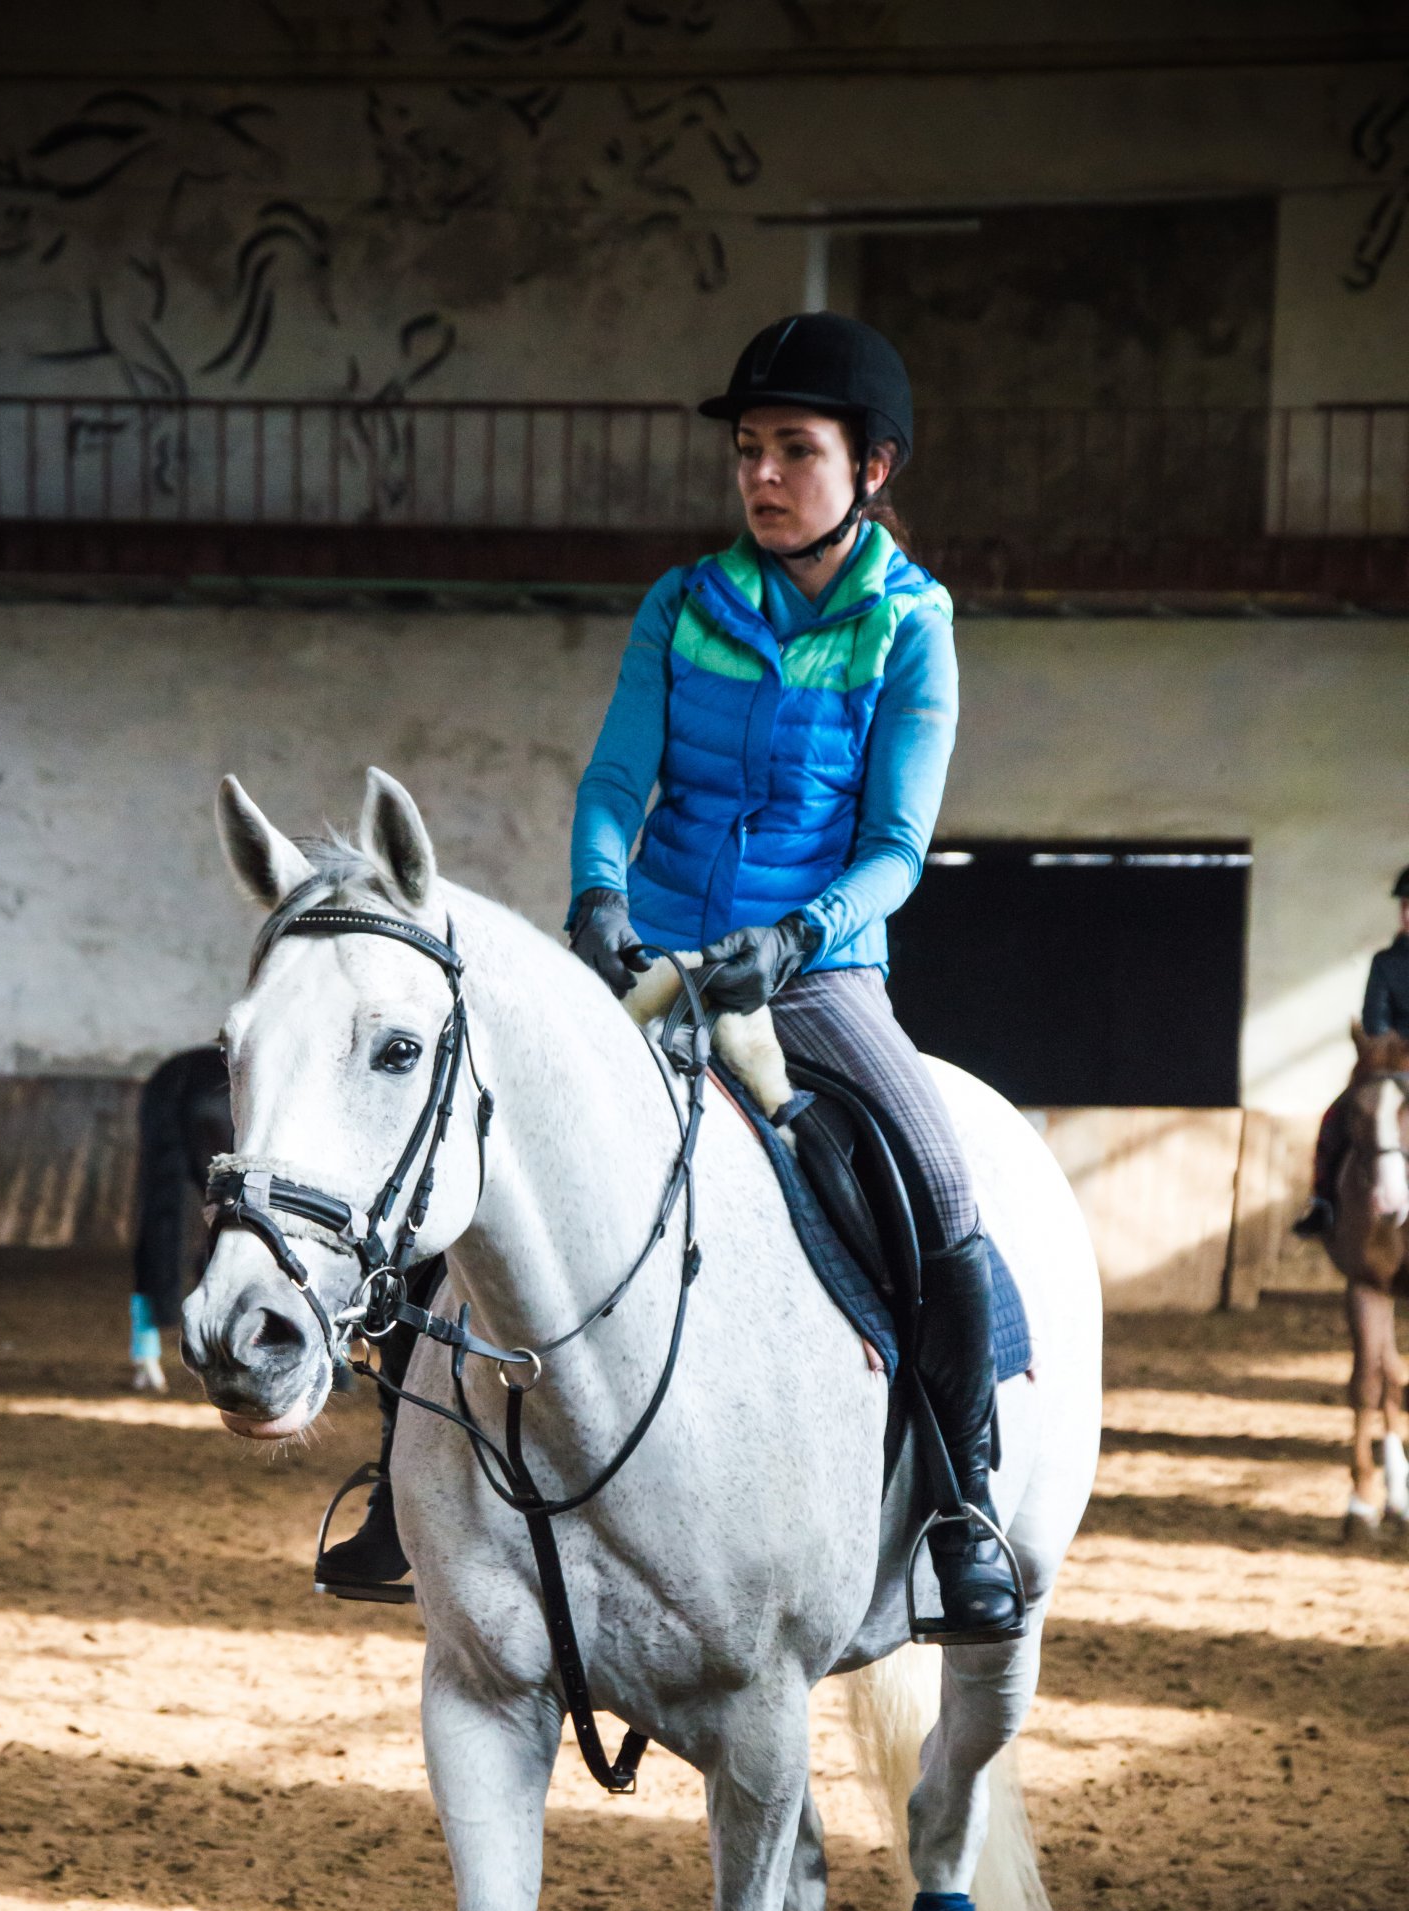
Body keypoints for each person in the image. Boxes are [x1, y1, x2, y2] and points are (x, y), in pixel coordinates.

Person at [320, 311, 1021, 1643]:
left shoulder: (910, 625)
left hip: (813, 974)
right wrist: (598, 895)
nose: (760, 475)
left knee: (939, 1192)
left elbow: (896, 849)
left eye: (793, 450)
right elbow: (614, 784)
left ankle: (960, 1507)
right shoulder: (682, 604)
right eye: (748, 450)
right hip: (644, 960)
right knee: (468, 1142)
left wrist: (796, 938)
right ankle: (399, 1482)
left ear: (874, 466)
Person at [1294, 865, 1409, 1238]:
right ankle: (1323, 1201)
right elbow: (1373, 1020)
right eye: (1405, 906)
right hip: (1393, 1065)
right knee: (1336, 1116)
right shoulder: (1385, 963)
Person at [128, 1044, 232, 1392]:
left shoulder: (176, 1070)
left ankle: (144, 1350)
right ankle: (336, 1356)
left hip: (167, 1078)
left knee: (158, 1206)